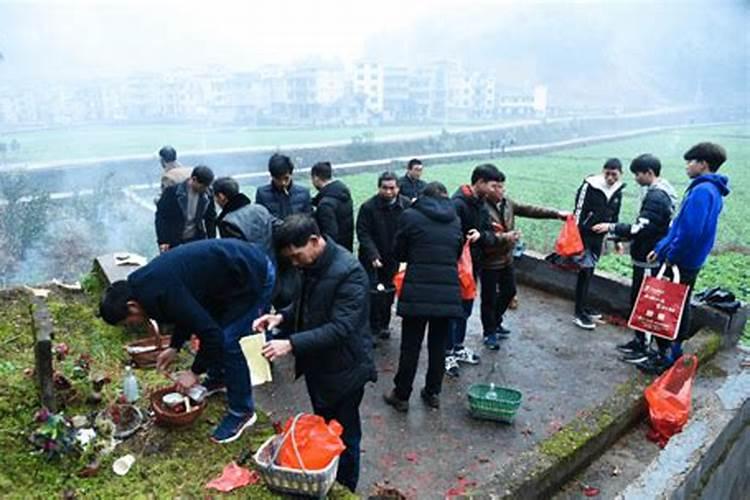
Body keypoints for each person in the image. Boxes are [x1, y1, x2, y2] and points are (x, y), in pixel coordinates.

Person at [98, 239, 275, 443]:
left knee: (229, 341)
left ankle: (242, 412)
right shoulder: (143, 288)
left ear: (132, 306)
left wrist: (194, 372)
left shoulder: (158, 290)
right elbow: (186, 312)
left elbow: (211, 334)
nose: (132, 325)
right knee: (215, 329)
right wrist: (174, 346)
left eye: (128, 322)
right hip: (224, 285)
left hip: (252, 274)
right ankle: (218, 379)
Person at [253, 215, 376, 493]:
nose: (294, 264)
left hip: (346, 368)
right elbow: (305, 304)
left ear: (313, 241)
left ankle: (346, 486)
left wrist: (290, 344)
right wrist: (280, 319)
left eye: (297, 256)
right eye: (290, 260)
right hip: (320, 366)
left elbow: (341, 327)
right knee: (323, 424)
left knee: (344, 433)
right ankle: (326, 474)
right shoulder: (312, 266)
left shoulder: (350, 272)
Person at [639, 142, 730, 374]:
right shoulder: (711, 190)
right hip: (689, 258)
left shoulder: (702, 191)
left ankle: (667, 356)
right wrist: (661, 247)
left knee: (671, 306)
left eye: (690, 162)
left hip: (683, 260)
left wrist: (671, 256)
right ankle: (670, 353)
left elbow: (690, 231)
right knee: (678, 305)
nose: (687, 167)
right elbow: (680, 226)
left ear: (703, 164)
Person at [383, 182, 464, 412]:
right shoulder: (455, 219)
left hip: (417, 289)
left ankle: (401, 396)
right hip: (447, 291)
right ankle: (432, 393)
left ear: (423, 196)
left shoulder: (410, 216)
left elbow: (398, 251)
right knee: (438, 345)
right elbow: (457, 252)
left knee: (411, 345)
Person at [591, 154, 676, 364]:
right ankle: (639, 341)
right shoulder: (659, 192)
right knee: (639, 301)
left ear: (649, 172)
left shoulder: (657, 197)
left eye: (638, 174)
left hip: (649, 259)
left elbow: (641, 228)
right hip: (644, 257)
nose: (636, 178)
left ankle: (645, 348)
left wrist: (611, 227)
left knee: (646, 303)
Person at [481, 171, 568, 349]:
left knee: (509, 291)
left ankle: (496, 321)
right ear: (485, 187)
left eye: (501, 186)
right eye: (495, 186)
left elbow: (529, 210)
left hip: (506, 258)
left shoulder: (507, 203)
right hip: (489, 260)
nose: (500, 190)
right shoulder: (480, 208)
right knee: (488, 298)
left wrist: (556, 214)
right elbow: (482, 235)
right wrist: (506, 237)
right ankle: (489, 332)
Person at [446, 164, 503, 376]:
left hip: (473, 266)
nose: (495, 189)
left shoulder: (481, 204)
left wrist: (482, 236)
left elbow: (488, 233)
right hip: (456, 267)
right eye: (492, 185)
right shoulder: (458, 204)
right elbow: (449, 236)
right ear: (479, 182)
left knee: (466, 308)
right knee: (453, 310)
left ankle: (458, 347)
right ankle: (447, 351)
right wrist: (466, 240)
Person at [356, 171, 410, 340]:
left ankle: (384, 324)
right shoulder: (368, 207)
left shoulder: (406, 206)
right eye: (384, 188)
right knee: (372, 293)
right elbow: (363, 233)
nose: (388, 192)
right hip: (372, 258)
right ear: (379, 188)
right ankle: (372, 327)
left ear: (398, 188)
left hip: (394, 257)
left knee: (388, 292)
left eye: (392, 188)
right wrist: (373, 254)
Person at [572, 158, 625, 330]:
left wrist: (616, 240)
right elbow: (578, 211)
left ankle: (584, 306)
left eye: (614, 174)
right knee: (585, 272)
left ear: (620, 174)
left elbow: (614, 217)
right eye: (607, 173)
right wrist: (578, 236)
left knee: (589, 272)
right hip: (584, 236)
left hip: (599, 238)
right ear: (603, 171)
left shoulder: (617, 190)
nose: (610, 178)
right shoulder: (590, 185)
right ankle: (579, 313)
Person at [155, 165, 217, 252]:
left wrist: (212, 240)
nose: (205, 189)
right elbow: (161, 217)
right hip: (173, 239)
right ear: (193, 179)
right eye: (203, 186)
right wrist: (163, 240)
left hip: (195, 238)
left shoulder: (207, 195)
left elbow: (210, 218)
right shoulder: (172, 192)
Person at [213, 176, 277, 255]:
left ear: (221, 196)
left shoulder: (228, 223)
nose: (215, 200)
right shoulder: (259, 209)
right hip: (271, 262)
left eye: (215, 197)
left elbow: (236, 254)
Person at [310, 161, 354, 251]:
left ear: (315, 178)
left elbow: (330, 236)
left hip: (334, 254)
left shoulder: (325, 205)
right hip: (346, 249)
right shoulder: (342, 193)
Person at [255, 153, 312, 219]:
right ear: (272, 176)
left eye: (286, 178)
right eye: (278, 179)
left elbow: (309, 220)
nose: (283, 183)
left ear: (291, 174)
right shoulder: (262, 194)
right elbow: (260, 220)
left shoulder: (304, 193)